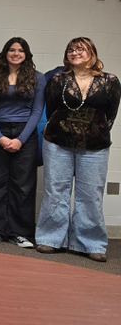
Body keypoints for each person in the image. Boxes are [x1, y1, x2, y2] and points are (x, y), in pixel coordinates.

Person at [36, 37, 120, 262]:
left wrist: (92, 131)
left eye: (80, 49)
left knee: (90, 195)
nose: (74, 52)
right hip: (57, 142)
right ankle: (51, 239)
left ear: (92, 52)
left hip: (95, 146)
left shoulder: (110, 81)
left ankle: (91, 243)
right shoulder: (57, 79)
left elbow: (110, 115)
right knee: (56, 190)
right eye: (70, 49)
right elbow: (52, 110)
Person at [0, 37, 45, 247]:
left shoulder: (38, 78)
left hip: (25, 134)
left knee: (23, 186)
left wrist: (21, 139)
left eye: (20, 50)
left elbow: (37, 111)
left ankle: (21, 233)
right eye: (11, 50)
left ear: (26, 54)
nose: (16, 53)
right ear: (5, 53)